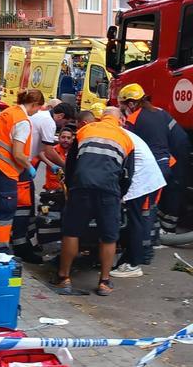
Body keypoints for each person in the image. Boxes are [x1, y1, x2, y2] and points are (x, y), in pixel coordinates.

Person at [55, 107, 134, 296]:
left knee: (72, 231)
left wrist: (72, 188)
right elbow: (127, 175)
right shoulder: (127, 139)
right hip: (109, 190)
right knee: (109, 236)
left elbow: (71, 164)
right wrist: (119, 194)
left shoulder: (85, 131)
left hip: (82, 186)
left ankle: (63, 278)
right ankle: (104, 282)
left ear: (101, 118)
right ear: (119, 120)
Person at [118, 83, 179, 263]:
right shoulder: (160, 113)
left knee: (143, 212)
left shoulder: (134, 120)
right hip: (165, 165)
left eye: (122, 105)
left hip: (149, 169)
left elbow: (128, 148)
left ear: (130, 104)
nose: (122, 110)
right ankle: (150, 244)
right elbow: (179, 137)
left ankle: (143, 253)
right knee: (151, 208)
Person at [0, 89, 45, 253]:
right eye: (38, 108)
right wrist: (28, 166)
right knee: (7, 207)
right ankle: (0, 248)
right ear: (33, 104)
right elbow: (17, 153)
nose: (37, 112)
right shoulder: (22, 121)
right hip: (2, 167)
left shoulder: (9, 112)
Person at [13, 101, 76, 263]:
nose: (63, 126)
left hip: (24, 165)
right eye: (65, 123)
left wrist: (52, 166)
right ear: (60, 116)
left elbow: (41, 151)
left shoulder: (41, 117)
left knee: (29, 209)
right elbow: (49, 150)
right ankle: (20, 247)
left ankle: (28, 242)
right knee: (23, 207)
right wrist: (65, 166)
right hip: (21, 166)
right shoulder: (48, 122)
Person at [43, 126, 75, 192]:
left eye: (68, 138)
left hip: (69, 190)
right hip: (52, 189)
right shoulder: (51, 151)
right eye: (63, 137)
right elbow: (39, 154)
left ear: (72, 139)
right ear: (58, 138)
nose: (66, 140)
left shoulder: (75, 153)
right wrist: (51, 165)